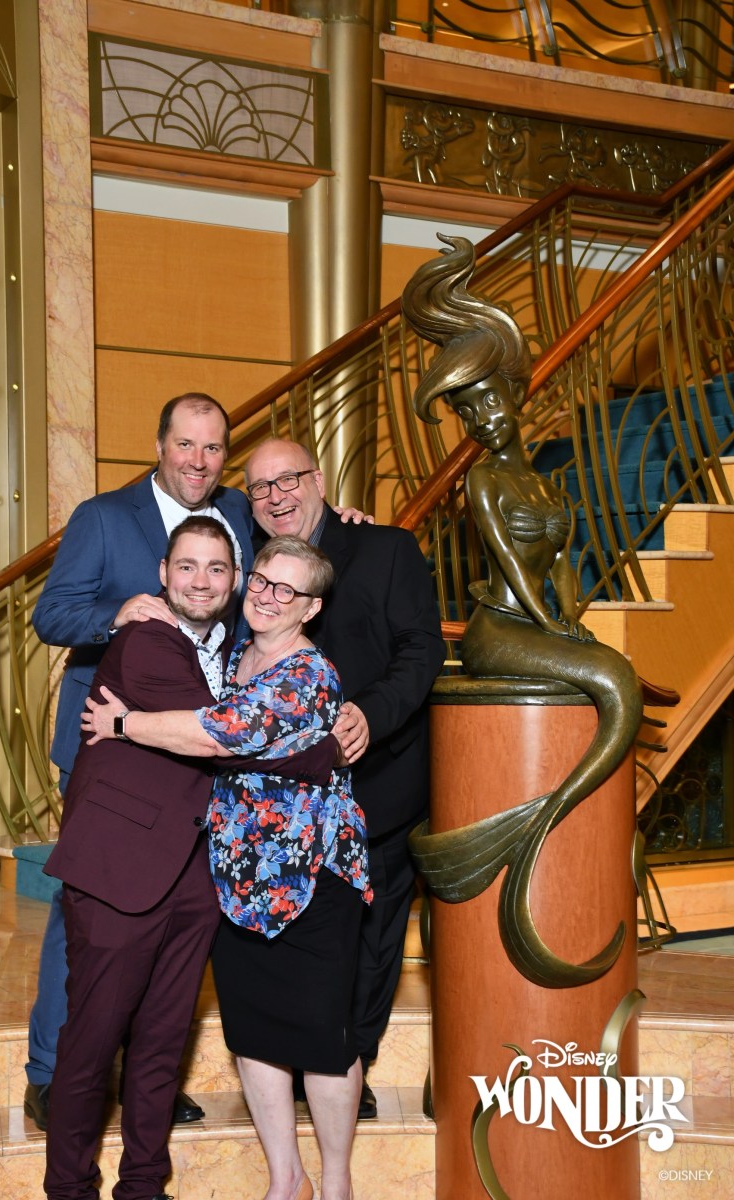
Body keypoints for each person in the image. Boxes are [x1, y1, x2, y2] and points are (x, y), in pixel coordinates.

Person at [43, 518, 338, 1200]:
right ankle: (69, 1189)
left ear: (235, 581)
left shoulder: (237, 653)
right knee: (91, 1044)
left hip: (197, 876)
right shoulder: (145, 639)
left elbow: (247, 723)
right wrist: (319, 743)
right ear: (162, 575)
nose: (200, 581)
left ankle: (144, 1186)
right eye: (186, 566)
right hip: (118, 871)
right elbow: (224, 736)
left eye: (216, 568)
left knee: (161, 1045)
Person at [402, 233, 643, 987]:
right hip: (500, 630)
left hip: (539, 621)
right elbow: (509, 565)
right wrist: (553, 628)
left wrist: (571, 619)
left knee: (609, 673)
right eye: (466, 411)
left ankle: (539, 819)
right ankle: (541, 820)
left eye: (487, 401)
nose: (481, 419)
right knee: (616, 680)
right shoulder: (483, 482)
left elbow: (560, 564)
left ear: (512, 394)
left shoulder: (544, 481)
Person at [26, 392, 254, 1129]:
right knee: (88, 917)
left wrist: (339, 522)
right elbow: (51, 614)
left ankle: (148, 1074)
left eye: (213, 448)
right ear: (159, 446)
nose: (198, 461)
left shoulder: (239, 514)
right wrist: (115, 613)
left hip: (197, 756)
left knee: (172, 918)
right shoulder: (102, 517)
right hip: (111, 748)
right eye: (185, 444)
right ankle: (54, 1072)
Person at [242, 439, 446, 1117]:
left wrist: (370, 714)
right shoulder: (251, 566)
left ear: (319, 480)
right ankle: (298, 1054)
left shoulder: (385, 548)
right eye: (260, 487)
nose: (276, 496)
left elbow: (421, 649)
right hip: (277, 809)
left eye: (288, 480)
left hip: (375, 787)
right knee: (293, 938)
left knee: (372, 940)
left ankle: (347, 1063)